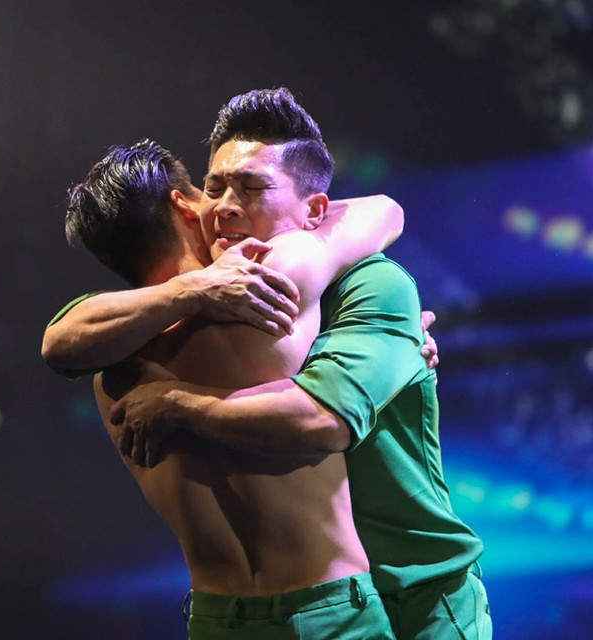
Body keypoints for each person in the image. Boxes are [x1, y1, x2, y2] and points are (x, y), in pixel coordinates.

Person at [75, 88, 492, 639]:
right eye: (215, 186)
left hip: (423, 593)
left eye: (252, 188)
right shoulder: (180, 311)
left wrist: (177, 405)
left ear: (316, 211)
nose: (224, 205)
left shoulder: (373, 283)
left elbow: (322, 420)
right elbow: (62, 338)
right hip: (324, 599)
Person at [49, 137, 405, 639]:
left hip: (215, 619)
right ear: (185, 205)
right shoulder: (270, 281)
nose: (224, 206)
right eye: (208, 189)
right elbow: (382, 212)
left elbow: (57, 343)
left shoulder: (111, 372)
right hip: (325, 611)